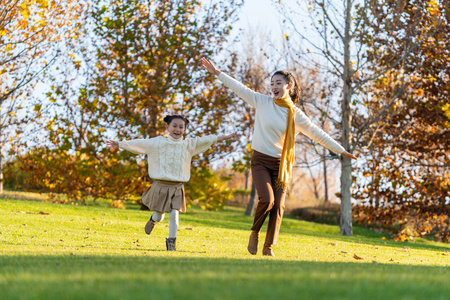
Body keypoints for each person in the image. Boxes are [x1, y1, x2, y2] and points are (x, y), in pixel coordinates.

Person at [201, 57, 357, 257]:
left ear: (288, 86)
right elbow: (239, 88)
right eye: (272, 83)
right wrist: (217, 73)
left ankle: (268, 247)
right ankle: (255, 233)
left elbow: (317, 133)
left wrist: (341, 150)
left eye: (278, 83)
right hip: (260, 161)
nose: (273, 87)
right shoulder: (262, 101)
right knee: (267, 199)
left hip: (281, 165)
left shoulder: (295, 114)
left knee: (279, 205)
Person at [106, 114, 235, 251]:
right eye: (174, 126)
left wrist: (226, 137)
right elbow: (139, 143)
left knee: (174, 213)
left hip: (177, 187)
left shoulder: (188, 145)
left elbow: (208, 139)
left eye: (181, 127)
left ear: (184, 130)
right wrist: (120, 144)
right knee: (159, 215)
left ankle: (171, 242)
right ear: (167, 127)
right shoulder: (157, 143)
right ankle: (153, 220)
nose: (177, 129)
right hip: (160, 185)